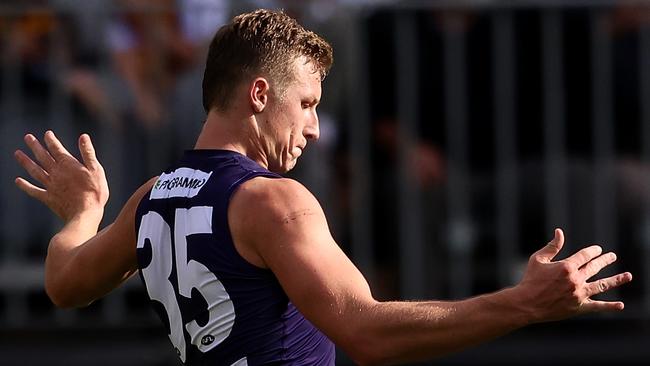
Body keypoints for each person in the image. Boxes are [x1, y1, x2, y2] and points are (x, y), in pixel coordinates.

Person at [13, 9, 633, 366]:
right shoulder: (271, 200)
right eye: (306, 104)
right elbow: (366, 332)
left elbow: (65, 285)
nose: (314, 127)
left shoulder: (151, 198)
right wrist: (524, 303)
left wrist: (84, 211)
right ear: (259, 94)